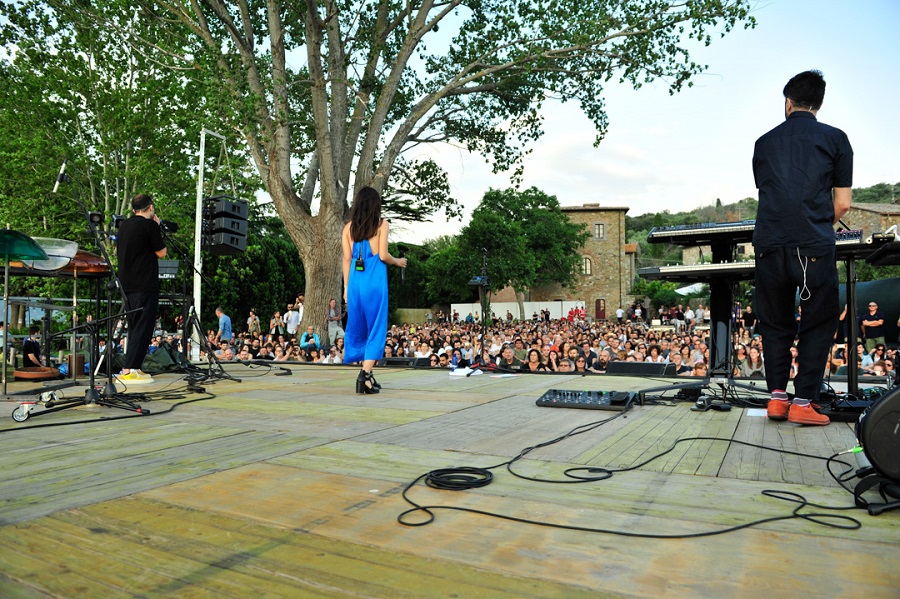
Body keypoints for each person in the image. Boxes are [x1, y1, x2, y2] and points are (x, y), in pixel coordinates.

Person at [753, 70, 852, 426]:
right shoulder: (836, 138)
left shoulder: (763, 142)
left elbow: (771, 191)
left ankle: (777, 399)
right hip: (811, 244)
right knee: (818, 322)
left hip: (768, 244)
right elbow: (841, 204)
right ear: (819, 104)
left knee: (774, 322)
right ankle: (804, 402)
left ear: (788, 102)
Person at [341, 187, 406, 394]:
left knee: (359, 327)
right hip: (374, 282)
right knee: (376, 327)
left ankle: (368, 374)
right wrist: (398, 262)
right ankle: (364, 376)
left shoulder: (348, 228)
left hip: (354, 284)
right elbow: (383, 255)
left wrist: (345, 287)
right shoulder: (381, 225)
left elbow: (346, 259)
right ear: (375, 205)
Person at [115, 193, 167, 383]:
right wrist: (158, 227)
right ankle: (131, 369)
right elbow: (161, 252)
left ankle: (130, 366)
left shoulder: (124, 226)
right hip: (144, 283)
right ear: (151, 208)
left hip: (127, 284)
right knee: (143, 327)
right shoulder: (150, 225)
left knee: (134, 326)